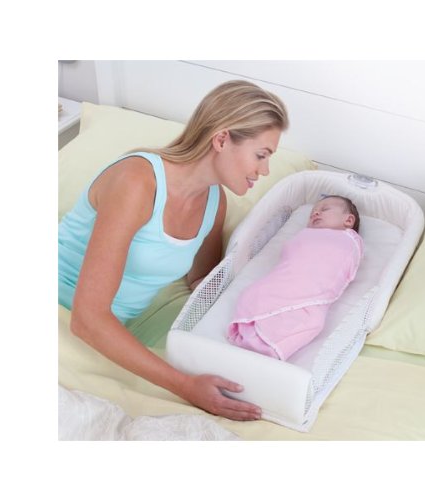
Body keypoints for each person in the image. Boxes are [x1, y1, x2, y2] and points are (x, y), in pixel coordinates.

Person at [58, 80, 289, 421]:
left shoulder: (214, 202)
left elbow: (202, 283)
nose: (264, 170)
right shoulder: (137, 182)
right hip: (63, 315)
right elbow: (87, 318)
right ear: (222, 140)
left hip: (110, 330)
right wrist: (185, 385)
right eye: (261, 155)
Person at [227, 195, 363, 361]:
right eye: (313, 212)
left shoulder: (349, 240)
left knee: (310, 320)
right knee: (256, 294)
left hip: (310, 294)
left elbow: (342, 264)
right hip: (279, 284)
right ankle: (253, 334)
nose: (315, 213)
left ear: (348, 220)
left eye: (324, 209)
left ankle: (268, 345)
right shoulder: (305, 235)